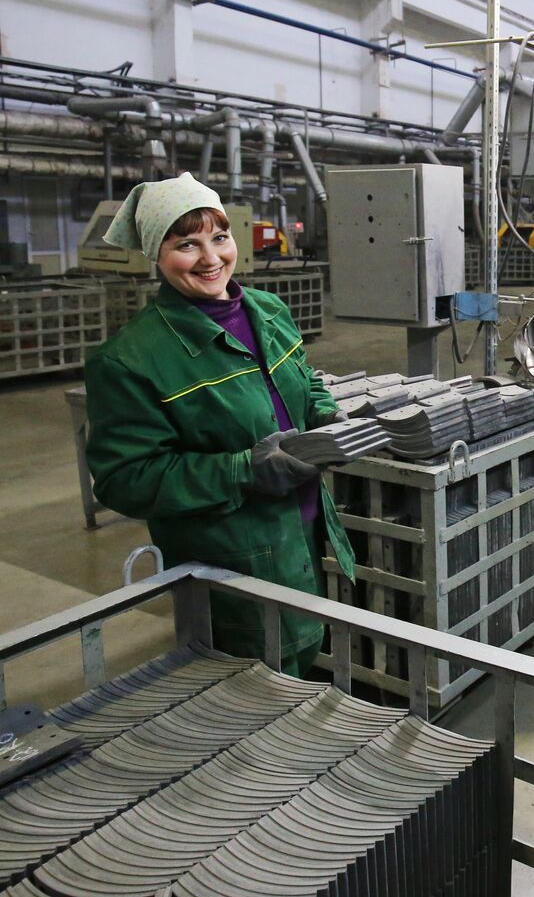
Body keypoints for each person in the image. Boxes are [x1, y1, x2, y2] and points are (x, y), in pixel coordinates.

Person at [84, 173, 353, 676]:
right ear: (156, 256)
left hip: (307, 527)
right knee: (256, 680)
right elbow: (125, 479)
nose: (211, 259)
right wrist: (242, 471)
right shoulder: (130, 359)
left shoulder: (268, 310)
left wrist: (325, 414)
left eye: (220, 237)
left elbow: (303, 380)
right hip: (230, 555)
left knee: (302, 660)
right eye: (186, 244)